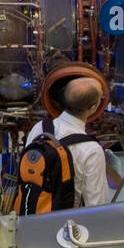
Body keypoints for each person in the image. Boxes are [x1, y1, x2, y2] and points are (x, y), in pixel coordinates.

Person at [25, 77, 110, 207]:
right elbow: (97, 205)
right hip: (68, 223)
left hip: (32, 217)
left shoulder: (40, 128)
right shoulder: (91, 149)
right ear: (93, 108)